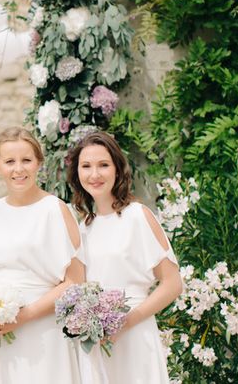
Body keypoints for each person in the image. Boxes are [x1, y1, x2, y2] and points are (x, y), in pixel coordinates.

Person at [67, 130, 182, 384]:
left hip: (136, 336)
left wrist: (127, 322)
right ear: (77, 174)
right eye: (86, 166)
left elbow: (173, 283)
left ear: (118, 169)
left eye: (103, 165)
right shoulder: (84, 228)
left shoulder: (137, 216)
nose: (94, 174)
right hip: (98, 343)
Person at [0, 127, 83, 384]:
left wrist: (25, 315)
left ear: (38, 163)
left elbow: (75, 280)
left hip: (42, 329)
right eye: (9, 161)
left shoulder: (55, 210)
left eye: (26, 160)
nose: (18, 169)